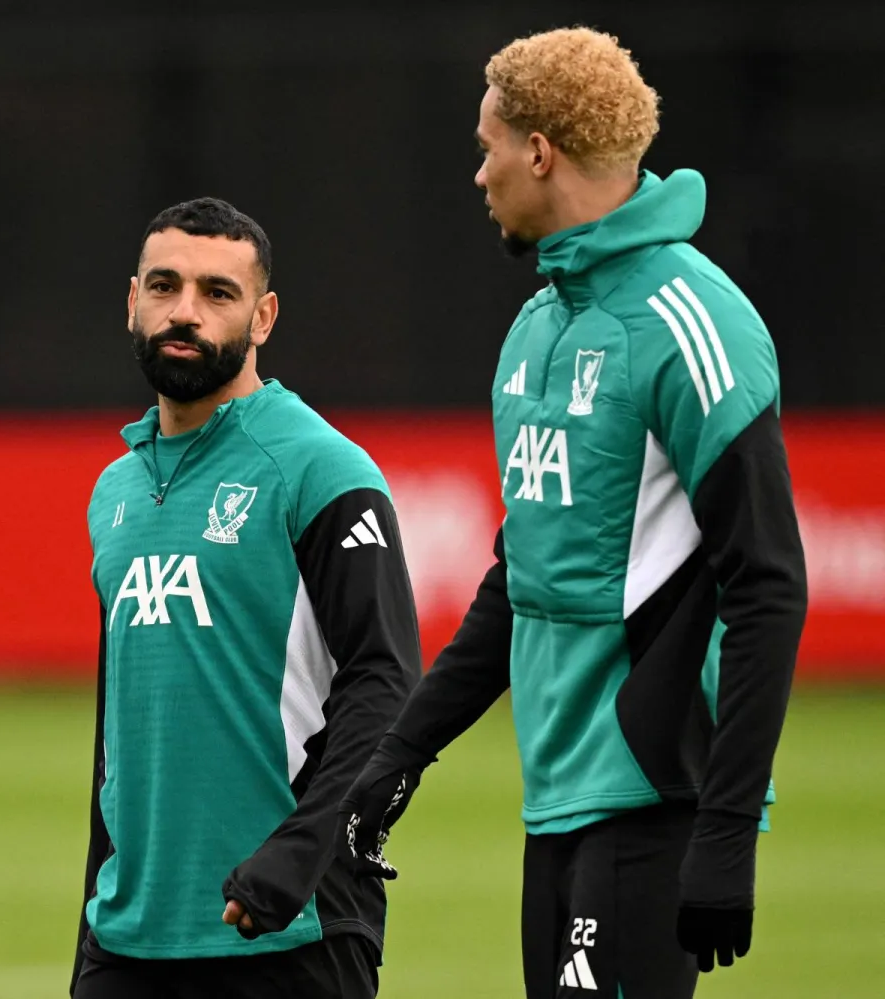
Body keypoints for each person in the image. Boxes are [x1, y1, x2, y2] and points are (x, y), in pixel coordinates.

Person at [336, 27, 808, 999]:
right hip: (555, 801)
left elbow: (768, 583)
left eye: (489, 148)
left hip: (652, 795)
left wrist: (725, 832)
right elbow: (524, 578)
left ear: (541, 152)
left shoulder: (694, 322)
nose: (480, 175)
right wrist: (400, 753)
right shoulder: (535, 327)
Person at [72, 197, 423, 999]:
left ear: (263, 317)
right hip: (126, 940)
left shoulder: (321, 468)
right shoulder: (114, 490)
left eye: (217, 292)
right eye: (165, 286)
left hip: (289, 929)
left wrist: (300, 854)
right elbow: (115, 739)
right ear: (132, 301)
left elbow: (386, 680)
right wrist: (90, 924)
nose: (184, 311)